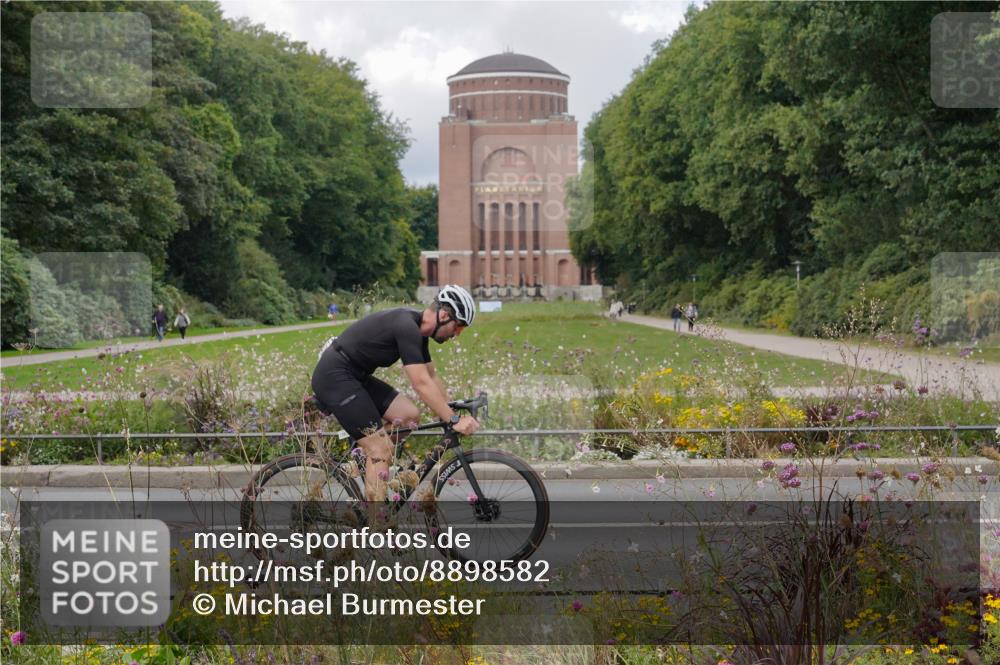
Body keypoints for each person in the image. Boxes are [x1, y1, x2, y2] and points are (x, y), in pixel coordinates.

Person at [311, 285, 480, 503]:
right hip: (334, 376)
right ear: (445, 315)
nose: (456, 335)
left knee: (408, 416)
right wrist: (453, 420)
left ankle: (362, 459)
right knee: (381, 448)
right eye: (459, 327)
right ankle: (377, 521)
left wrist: (450, 407)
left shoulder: (419, 332)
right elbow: (420, 383)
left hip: (355, 376)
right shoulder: (406, 326)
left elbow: (430, 375)